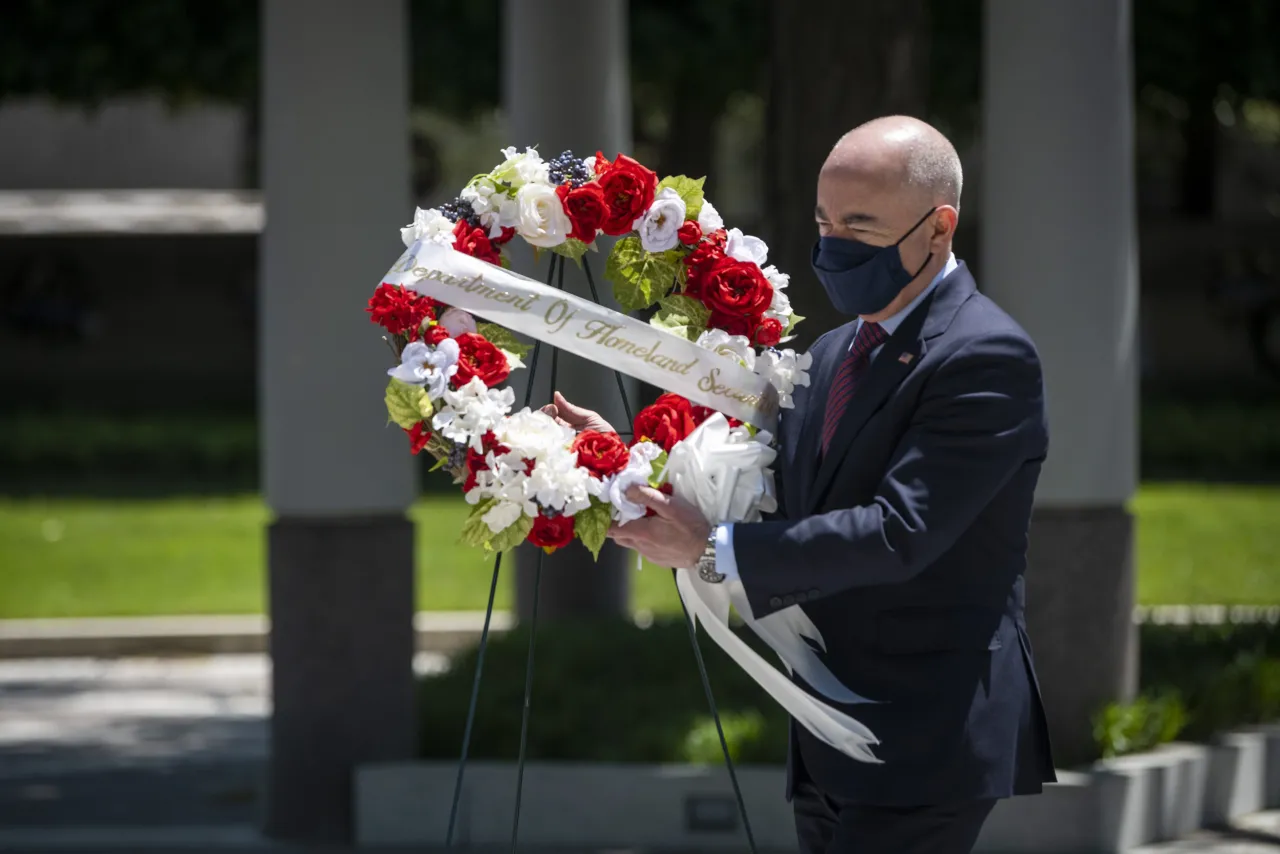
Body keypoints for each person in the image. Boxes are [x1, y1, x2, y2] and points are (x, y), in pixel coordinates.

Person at [546, 115, 1056, 854]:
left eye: (860, 224)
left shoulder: (986, 355)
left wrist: (713, 550)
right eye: (824, 220)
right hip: (826, 726)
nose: (833, 244)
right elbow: (778, 489)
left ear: (938, 228)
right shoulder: (834, 347)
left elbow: (897, 532)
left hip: (925, 732)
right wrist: (625, 461)